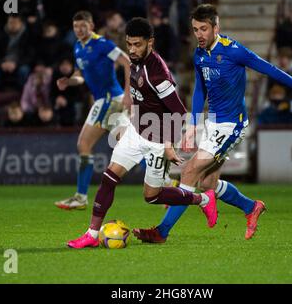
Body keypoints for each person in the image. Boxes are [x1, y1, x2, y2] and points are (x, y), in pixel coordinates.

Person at [133, 4, 292, 243]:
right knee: (207, 182)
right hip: (213, 123)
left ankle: (162, 231)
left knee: (189, 171)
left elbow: (267, 68)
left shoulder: (233, 51)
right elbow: (200, 89)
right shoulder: (199, 54)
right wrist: (192, 125)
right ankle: (251, 207)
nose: (199, 34)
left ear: (215, 27)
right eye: (195, 29)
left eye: (204, 29)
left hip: (233, 125)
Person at [66, 17, 217, 249]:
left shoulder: (157, 74)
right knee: (108, 179)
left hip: (157, 140)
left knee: (152, 197)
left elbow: (178, 110)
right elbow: (140, 99)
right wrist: (131, 122)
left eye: (137, 44)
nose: (132, 49)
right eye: (129, 44)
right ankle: (91, 235)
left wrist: (168, 144)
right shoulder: (135, 63)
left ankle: (203, 198)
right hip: (136, 132)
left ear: (150, 42)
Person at [54, 11, 132, 210]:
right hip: (103, 100)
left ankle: (80, 197)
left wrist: (128, 93)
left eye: (83, 26)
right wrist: (70, 81)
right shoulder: (78, 47)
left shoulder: (103, 44)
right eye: (76, 27)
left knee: (84, 143)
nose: (79, 30)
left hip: (109, 99)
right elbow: (81, 75)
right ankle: (165, 182)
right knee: (129, 142)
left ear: (92, 25)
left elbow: (127, 62)